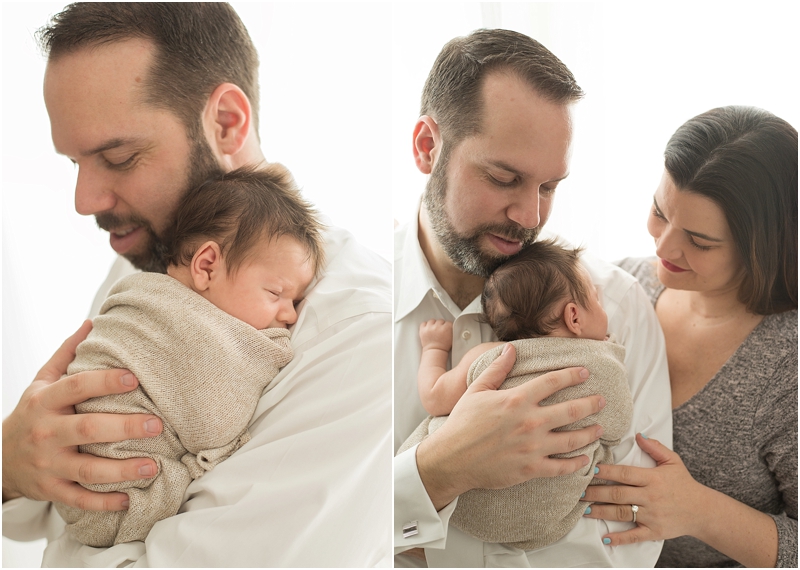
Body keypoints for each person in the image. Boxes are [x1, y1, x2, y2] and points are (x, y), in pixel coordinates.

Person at [2, 4, 391, 567]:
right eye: (75, 163)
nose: (85, 201)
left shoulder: (358, 340)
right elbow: (56, 497)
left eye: (119, 157)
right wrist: (10, 464)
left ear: (227, 123)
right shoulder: (156, 256)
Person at [394, 29, 672, 567]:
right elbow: (319, 526)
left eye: (549, 187)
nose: (531, 217)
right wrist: (438, 470)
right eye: (504, 178)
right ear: (428, 148)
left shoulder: (617, 307)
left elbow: (629, 536)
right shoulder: (343, 304)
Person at [54, 165, 323, 547]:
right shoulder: (179, 324)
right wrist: (270, 353)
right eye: (276, 293)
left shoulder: (144, 292)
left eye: (295, 301)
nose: (291, 316)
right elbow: (213, 427)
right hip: (118, 503)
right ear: (207, 265)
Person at [583, 106, 797, 568]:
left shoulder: (788, 363)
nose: (662, 248)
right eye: (660, 212)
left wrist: (699, 512)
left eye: (699, 241)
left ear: (763, 247)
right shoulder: (620, 291)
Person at [400, 239, 632, 552]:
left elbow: (433, 397)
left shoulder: (489, 356)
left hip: (455, 507)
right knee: (598, 451)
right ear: (574, 317)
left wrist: (434, 348)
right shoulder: (600, 366)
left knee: (436, 425)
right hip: (541, 519)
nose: (603, 307)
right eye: (596, 299)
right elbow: (618, 427)